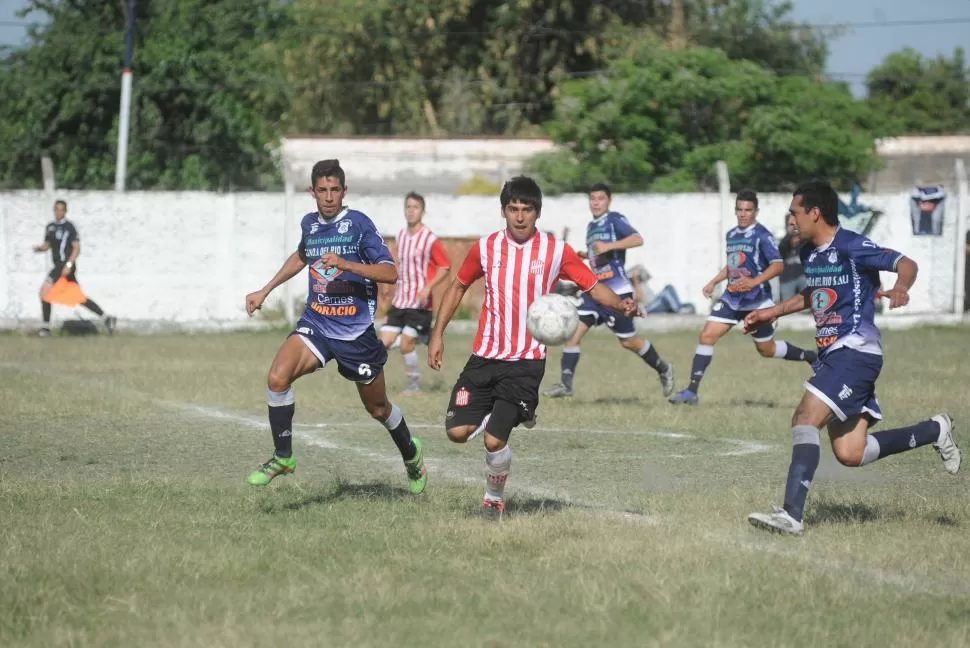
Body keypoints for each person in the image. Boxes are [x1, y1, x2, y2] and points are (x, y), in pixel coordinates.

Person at [744, 179, 960, 535]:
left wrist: (902, 287)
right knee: (850, 452)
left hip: (856, 351)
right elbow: (816, 292)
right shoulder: (809, 253)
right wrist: (774, 312)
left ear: (815, 213)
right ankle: (934, 430)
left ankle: (791, 515)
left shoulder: (853, 245)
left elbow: (906, 262)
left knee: (804, 418)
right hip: (834, 355)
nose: (790, 220)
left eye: (795, 213)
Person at [427, 176, 638, 520]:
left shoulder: (556, 251)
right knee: (456, 433)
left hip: (526, 363)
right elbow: (457, 286)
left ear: (537, 213)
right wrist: (438, 334)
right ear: (504, 211)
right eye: (513, 209)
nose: (520, 216)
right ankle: (506, 413)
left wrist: (621, 305)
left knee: (493, 442)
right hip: (483, 358)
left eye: (527, 209)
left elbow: (593, 286)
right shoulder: (485, 248)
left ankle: (493, 499)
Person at [244, 159, 428, 494]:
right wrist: (265, 289)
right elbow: (302, 256)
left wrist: (345, 264)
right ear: (312, 192)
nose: (328, 197)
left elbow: (390, 273)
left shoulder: (358, 225)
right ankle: (283, 456)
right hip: (316, 322)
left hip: (355, 333)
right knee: (277, 377)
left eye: (335, 190)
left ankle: (411, 453)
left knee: (378, 408)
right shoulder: (310, 225)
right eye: (322, 190)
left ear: (344, 192)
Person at [669, 189, 817, 406]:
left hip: (757, 301)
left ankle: (810, 357)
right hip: (732, 298)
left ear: (756, 211)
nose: (743, 214)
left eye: (748, 210)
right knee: (707, 336)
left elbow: (777, 265)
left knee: (766, 350)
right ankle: (691, 391)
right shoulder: (731, 235)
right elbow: (732, 265)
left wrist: (754, 282)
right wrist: (714, 281)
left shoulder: (762, 235)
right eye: (739, 209)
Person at [543, 183, 674, 399]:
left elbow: (637, 239)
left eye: (600, 198)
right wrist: (587, 255)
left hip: (617, 291)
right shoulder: (591, 226)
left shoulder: (614, 219)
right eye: (592, 198)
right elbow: (600, 256)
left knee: (628, 341)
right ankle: (566, 385)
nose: (596, 202)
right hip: (594, 290)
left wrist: (609, 247)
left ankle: (663, 368)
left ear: (609, 201)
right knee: (573, 334)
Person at [379, 192, 451, 392]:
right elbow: (397, 263)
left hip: (420, 306)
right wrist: (387, 283)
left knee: (405, 345)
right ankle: (424, 336)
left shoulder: (429, 239)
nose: (411, 211)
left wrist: (428, 287)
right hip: (400, 302)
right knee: (381, 343)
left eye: (415, 207)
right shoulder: (401, 235)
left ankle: (413, 387)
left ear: (423, 211)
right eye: (408, 207)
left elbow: (445, 267)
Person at [32, 200, 116, 336]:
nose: (58, 212)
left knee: (43, 292)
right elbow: (47, 244)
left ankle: (45, 329)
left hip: (64, 265)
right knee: (78, 297)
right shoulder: (50, 227)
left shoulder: (69, 227)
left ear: (65, 211)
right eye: (56, 209)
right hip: (58, 265)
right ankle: (107, 318)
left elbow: (76, 248)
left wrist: (69, 265)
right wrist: (39, 248)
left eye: (61, 210)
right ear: (53, 210)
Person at [628, 265, 695, 314]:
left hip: (656, 303)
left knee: (690, 305)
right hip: (648, 308)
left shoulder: (642, 282)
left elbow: (648, 276)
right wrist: (635, 281)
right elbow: (639, 298)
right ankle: (679, 310)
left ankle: (678, 309)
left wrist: (638, 271)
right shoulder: (630, 287)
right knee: (668, 290)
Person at [777, 213, 808, 302]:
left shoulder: (805, 240)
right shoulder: (783, 242)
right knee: (787, 306)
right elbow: (780, 253)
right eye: (791, 224)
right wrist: (789, 241)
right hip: (787, 279)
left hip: (803, 277)